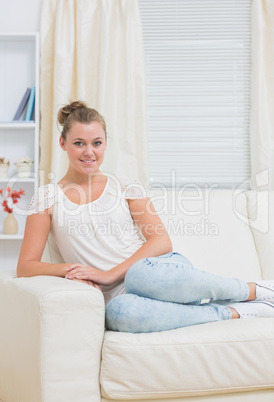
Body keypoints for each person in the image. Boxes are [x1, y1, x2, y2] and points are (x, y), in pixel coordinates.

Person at [17, 100, 274, 333]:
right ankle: (234, 311)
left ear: (105, 143)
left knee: (138, 274)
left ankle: (255, 290)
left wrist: (109, 274)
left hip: (159, 276)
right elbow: (26, 266)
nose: (89, 152)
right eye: (78, 143)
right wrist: (74, 272)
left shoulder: (125, 186)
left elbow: (161, 241)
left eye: (97, 143)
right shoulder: (47, 197)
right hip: (124, 298)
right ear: (63, 144)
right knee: (118, 314)